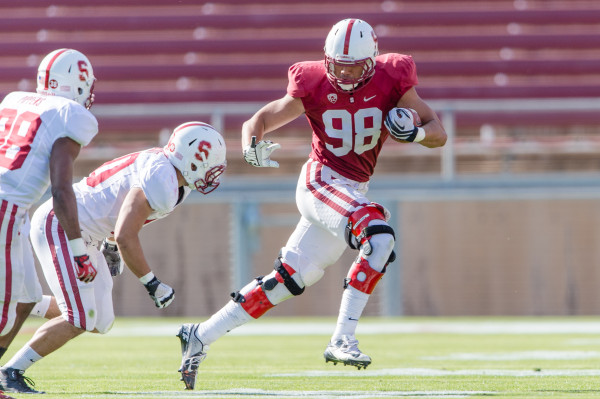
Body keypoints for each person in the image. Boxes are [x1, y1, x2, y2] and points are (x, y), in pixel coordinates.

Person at [176, 18, 447, 390]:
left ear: (372, 60)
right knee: (379, 237)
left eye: (354, 65)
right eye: (339, 64)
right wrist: (251, 147)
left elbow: (439, 133)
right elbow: (259, 120)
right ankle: (343, 340)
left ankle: (200, 335)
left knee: (287, 280)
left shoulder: (393, 76)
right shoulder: (313, 79)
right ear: (327, 59)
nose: (346, 72)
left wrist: (415, 133)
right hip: (321, 180)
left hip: (352, 189)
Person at [0, 121, 227, 394]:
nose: (214, 173)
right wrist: (152, 282)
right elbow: (125, 235)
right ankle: (10, 371)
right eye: (210, 163)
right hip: (63, 225)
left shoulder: (170, 177)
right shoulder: (162, 179)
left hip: (86, 232)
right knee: (80, 317)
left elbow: (117, 208)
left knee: (99, 319)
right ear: (192, 160)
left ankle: (25, 303)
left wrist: (108, 245)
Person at [0, 47, 98, 394]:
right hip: (6, 206)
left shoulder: (15, 98)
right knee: (6, 303)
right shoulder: (70, 114)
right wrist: (78, 248)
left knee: (25, 298)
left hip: (13, 207)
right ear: (76, 84)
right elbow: (60, 189)